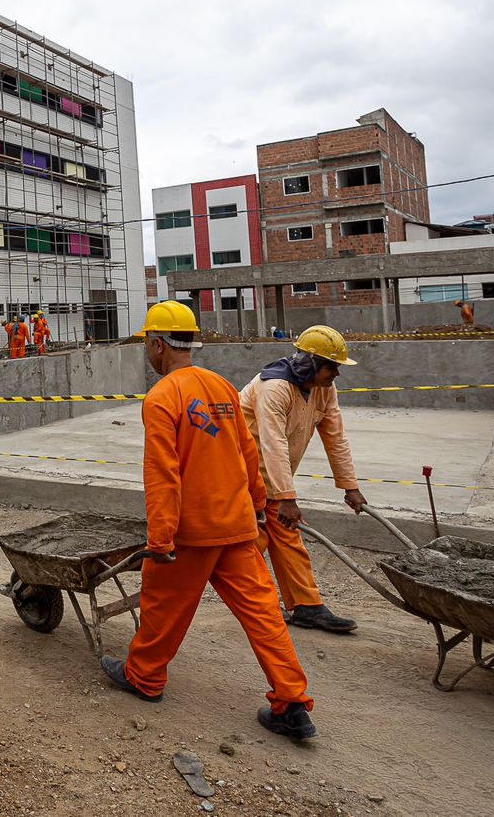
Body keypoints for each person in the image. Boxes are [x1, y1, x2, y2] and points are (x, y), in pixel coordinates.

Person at [101, 300, 317, 740]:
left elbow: (163, 475)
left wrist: (161, 540)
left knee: (162, 605)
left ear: (158, 345)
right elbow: (247, 451)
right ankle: (292, 702)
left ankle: (144, 677)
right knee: (264, 615)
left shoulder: (163, 397)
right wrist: (259, 505)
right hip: (237, 526)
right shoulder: (220, 386)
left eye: (147, 342)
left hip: (193, 533)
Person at [240, 325, 367, 633]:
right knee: (249, 545)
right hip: (242, 479)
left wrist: (350, 485)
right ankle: (258, 607)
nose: (337, 373)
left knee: (288, 537)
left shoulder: (324, 389)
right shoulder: (274, 388)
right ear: (310, 363)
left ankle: (306, 606)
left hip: (273, 480)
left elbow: (335, 437)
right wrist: (287, 498)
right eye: (331, 367)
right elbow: (273, 444)